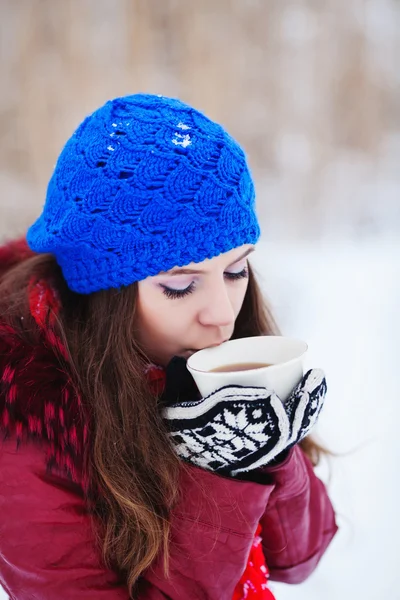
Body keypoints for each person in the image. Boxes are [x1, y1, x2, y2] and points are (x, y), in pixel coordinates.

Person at [0, 93, 338, 600]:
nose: (222, 313)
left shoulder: (215, 353)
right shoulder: (26, 428)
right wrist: (222, 473)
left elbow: (299, 559)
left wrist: (273, 448)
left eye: (236, 270)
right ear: (105, 293)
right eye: (180, 285)